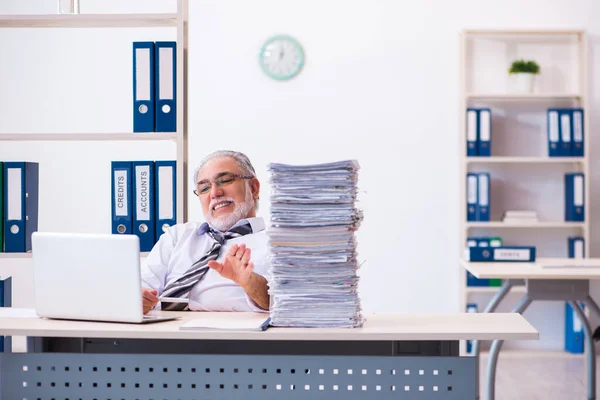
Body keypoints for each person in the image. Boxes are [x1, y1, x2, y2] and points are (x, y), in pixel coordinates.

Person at [140, 150, 270, 314]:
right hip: (159, 331)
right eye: (205, 188)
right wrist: (138, 297)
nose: (215, 193)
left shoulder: (280, 242)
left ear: (254, 188)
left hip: (229, 336)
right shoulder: (178, 235)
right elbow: (143, 284)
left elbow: (281, 303)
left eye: (225, 180)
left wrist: (249, 281)